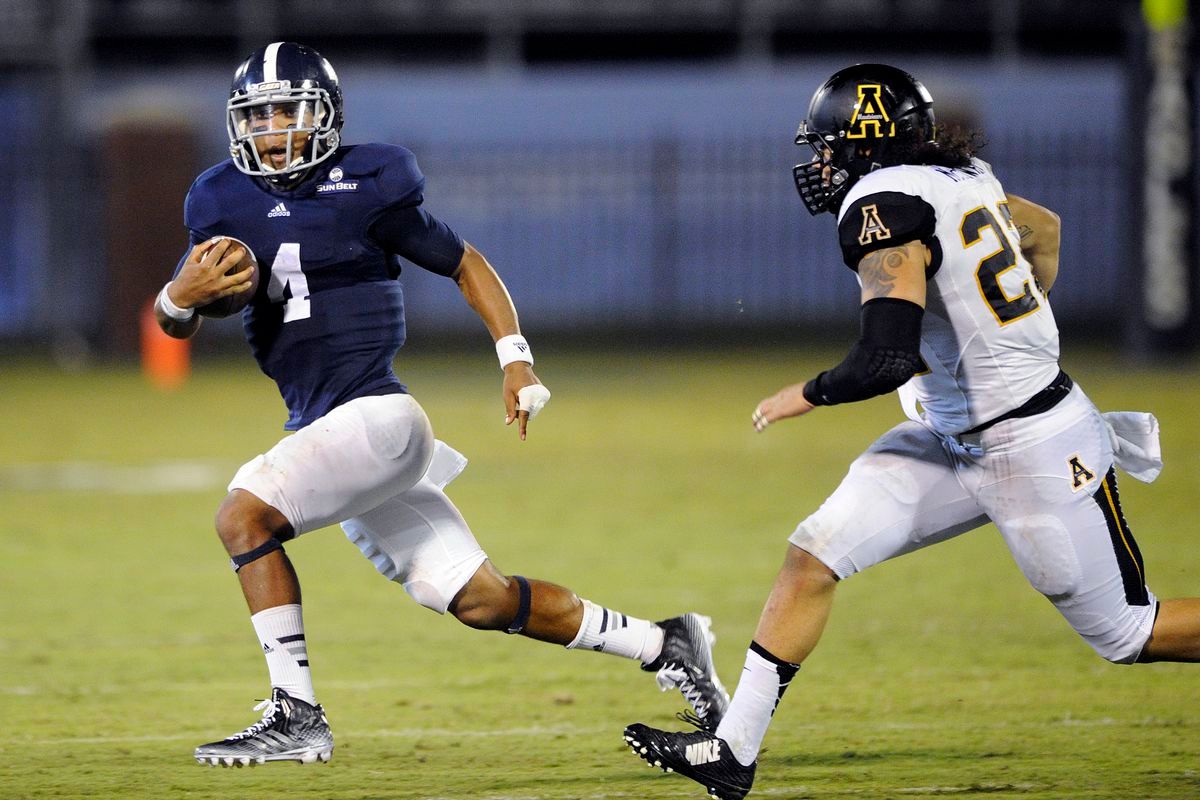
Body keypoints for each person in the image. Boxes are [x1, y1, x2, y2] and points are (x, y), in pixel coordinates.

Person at [623, 63, 1200, 800]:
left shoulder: (882, 205)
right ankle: (731, 753)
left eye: (829, 146)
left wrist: (803, 394)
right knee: (814, 555)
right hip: (952, 437)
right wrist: (1008, 321)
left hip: (1030, 447)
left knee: (1128, 633)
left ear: (866, 144)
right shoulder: (960, 178)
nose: (820, 162)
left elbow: (885, 358)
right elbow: (1043, 230)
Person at [155, 41, 728, 768]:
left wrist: (515, 359)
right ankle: (667, 643)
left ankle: (296, 713)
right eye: (260, 115)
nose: (273, 131)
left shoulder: (368, 182)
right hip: (329, 427)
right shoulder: (218, 198)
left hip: (378, 420)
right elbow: (177, 316)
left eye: (288, 112)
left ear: (323, 117)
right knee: (477, 599)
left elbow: (464, 262)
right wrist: (177, 298)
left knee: (242, 515)